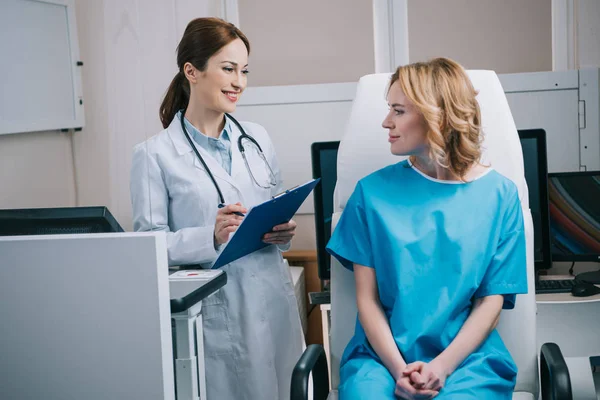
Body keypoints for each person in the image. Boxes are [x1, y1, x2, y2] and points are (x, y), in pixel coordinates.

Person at [326, 58, 528, 399]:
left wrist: (441, 368)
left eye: (398, 111)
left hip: (466, 360)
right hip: (381, 359)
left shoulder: (500, 196)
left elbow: (490, 303)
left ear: (438, 115)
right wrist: (398, 370)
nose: (385, 122)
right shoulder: (370, 193)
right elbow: (368, 301)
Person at [130, 17, 303, 400]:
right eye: (228, 69)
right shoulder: (154, 156)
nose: (238, 82)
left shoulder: (256, 138)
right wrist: (208, 235)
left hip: (271, 296)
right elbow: (148, 246)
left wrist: (284, 231)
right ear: (192, 71)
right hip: (217, 309)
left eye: (244, 71)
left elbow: (274, 203)